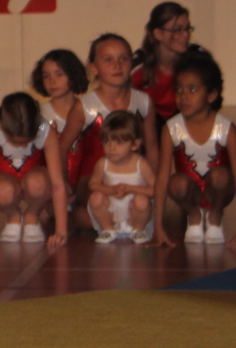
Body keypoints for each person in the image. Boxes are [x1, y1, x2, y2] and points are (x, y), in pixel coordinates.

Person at [153, 53, 236, 249]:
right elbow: (162, 178)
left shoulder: (226, 128)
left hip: (218, 190)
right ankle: (194, 214)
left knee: (220, 176)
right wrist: (157, 227)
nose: (184, 96)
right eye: (179, 89)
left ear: (211, 95)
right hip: (189, 192)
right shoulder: (171, 129)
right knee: (176, 182)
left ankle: (215, 214)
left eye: (192, 89)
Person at [0, 92, 67, 249]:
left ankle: (32, 214)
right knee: (3, 191)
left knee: (38, 183)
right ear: (3, 126)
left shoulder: (46, 130)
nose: (23, 146)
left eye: (27, 141)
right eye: (15, 141)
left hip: (36, 180)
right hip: (4, 180)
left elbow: (57, 183)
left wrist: (61, 231)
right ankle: (13, 215)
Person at [77, 34, 157, 203]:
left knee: (141, 205)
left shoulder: (143, 102)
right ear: (94, 68)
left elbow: (152, 148)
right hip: (96, 182)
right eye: (108, 60)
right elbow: (64, 149)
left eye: (123, 59)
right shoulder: (84, 106)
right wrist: (63, 186)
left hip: (134, 179)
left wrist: (155, 186)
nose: (117, 65)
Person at [133, 2, 202, 136]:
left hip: (187, 124)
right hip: (146, 128)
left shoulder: (198, 60)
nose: (185, 34)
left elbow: (212, 99)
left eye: (187, 28)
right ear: (158, 34)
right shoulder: (139, 64)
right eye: (177, 30)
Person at [87, 111, 155, 243]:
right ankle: (108, 229)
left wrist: (131, 189)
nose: (111, 148)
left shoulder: (141, 164)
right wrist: (110, 190)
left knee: (142, 201)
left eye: (119, 143)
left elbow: (155, 190)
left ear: (135, 144)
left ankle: (138, 230)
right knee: (95, 198)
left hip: (134, 210)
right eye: (107, 142)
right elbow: (93, 184)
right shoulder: (103, 163)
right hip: (112, 209)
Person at [32, 49, 89, 191]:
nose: (52, 81)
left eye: (59, 74)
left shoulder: (89, 111)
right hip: (50, 184)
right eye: (46, 76)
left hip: (87, 182)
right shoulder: (39, 115)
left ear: (73, 75)